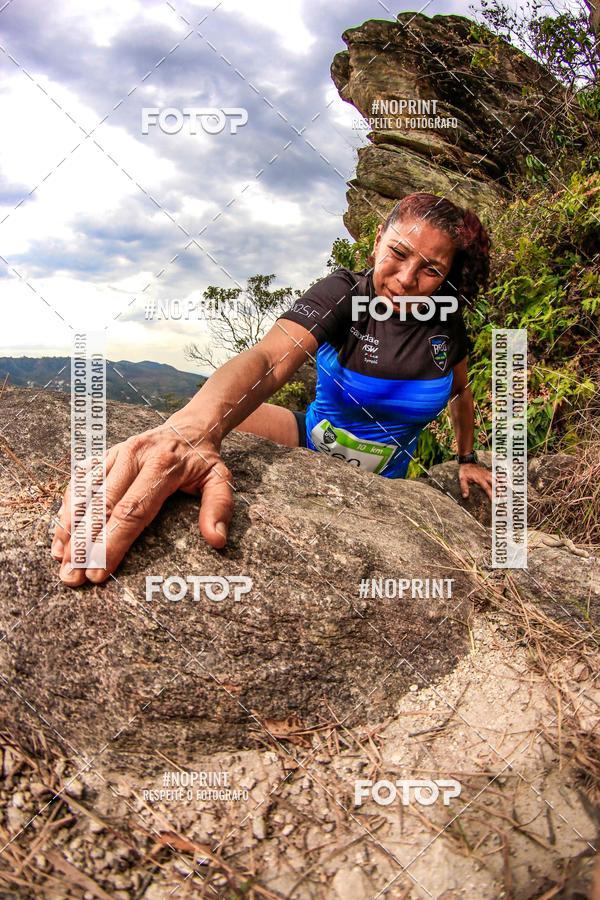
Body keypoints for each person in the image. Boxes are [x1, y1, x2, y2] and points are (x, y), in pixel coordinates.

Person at [51, 192, 493, 587]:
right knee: (188, 421)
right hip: (310, 437)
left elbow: (460, 392)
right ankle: (131, 463)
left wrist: (466, 458)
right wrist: (187, 434)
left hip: (390, 481)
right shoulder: (344, 293)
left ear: (447, 278)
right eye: (398, 252)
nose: (405, 278)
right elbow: (269, 360)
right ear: (378, 238)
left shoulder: (447, 327)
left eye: (431, 270)